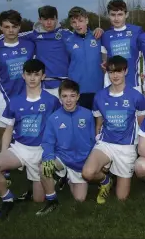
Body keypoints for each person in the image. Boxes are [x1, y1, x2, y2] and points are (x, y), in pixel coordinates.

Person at [0, 59, 60, 220]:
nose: (32, 78)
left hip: (41, 151)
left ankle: (51, 196)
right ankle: (7, 198)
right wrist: (3, 155)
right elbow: (8, 130)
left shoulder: (52, 101)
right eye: (29, 74)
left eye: (36, 75)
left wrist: (53, 153)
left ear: (43, 76)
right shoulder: (15, 101)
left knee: (39, 199)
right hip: (20, 149)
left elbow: (58, 129)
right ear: (23, 76)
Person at [81, 55, 145, 204]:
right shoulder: (99, 96)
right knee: (87, 173)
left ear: (125, 72)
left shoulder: (136, 96)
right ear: (107, 73)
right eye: (111, 72)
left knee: (121, 198)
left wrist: (140, 147)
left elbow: (143, 125)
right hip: (106, 144)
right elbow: (98, 122)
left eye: (118, 71)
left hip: (126, 147)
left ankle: (114, 172)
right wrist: (97, 139)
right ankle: (105, 180)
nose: (115, 75)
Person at [0, 6, 74, 98]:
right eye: (45, 19)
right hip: (42, 85)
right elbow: (10, 34)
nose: (49, 23)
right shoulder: (33, 35)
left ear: (56, 19)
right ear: (39, 19)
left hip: (64, 85)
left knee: (64, 112)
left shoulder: (66, 34)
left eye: (52, 19)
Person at [37, 79, 96, 215]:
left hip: (81, 161)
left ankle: (66, 178)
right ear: (60, 98)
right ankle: (52, 200)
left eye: (72, 96)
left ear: (78, 97)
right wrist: (48, 158)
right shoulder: (54, 118)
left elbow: (93, 139)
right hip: (62, 157)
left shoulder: (87, 115)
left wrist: (91, 160)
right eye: (64, 96)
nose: (68, 100)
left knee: (79, 199)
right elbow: (48, 142)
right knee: (43, 167)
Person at [0, 10, 35, 159]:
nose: (11, 30)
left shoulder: (30, 44)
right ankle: (2, 169)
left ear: (20, 27)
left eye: (14, 26)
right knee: (3, 136)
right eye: (6, 27)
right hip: (3, 100)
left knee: (27, 133)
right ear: (0, 28)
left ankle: (24, 161)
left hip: (27, 97)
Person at [100, 0, 144, 92]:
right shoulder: (105, 36)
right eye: (113, 15)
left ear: (126, 14)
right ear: (108, 15)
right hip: (112, 85)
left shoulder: (137, 31)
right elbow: (104, 61)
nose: (116, 18)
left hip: (133, 83)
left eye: (120, 14)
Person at [66, 6, 104, 110]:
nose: (77, 25)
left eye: (80, 21)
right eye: (74, 22)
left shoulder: (98, 36)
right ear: (70, 24)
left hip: (98, 89)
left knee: (98, 124)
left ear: (86, 20)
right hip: (77, 91)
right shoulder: (68, 41)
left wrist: (101, 30)